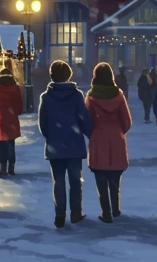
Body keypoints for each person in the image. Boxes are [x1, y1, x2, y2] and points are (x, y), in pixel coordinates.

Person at [38, 59, 93, 227]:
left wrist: (52, 136)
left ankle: (59, 215)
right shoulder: (76, 95)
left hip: (55, 145)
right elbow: (84, 119)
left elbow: (43, 123)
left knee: (59, 182)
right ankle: (76, 213)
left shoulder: (46, 97)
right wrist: (90, 134)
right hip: (74, 144)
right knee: (75, 181)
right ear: (69, 75)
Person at [85, 62, 132, 223]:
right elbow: (127, 121)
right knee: (115, 178)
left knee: (101, 178)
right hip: (116, 138)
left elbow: (87, 121)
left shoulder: (91, 97)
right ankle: (116, 209)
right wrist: (118, 131)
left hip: (98, 139)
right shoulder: (119, 96)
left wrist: (94, 132)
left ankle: (106, 212)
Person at [0, 65, 23, 178]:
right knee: (11, 144)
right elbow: (19, 105)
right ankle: (11, 168)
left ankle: (2, 169)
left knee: (1, 144)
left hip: (0, 118)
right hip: (11, 119)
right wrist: (13, 113)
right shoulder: (15, 88)